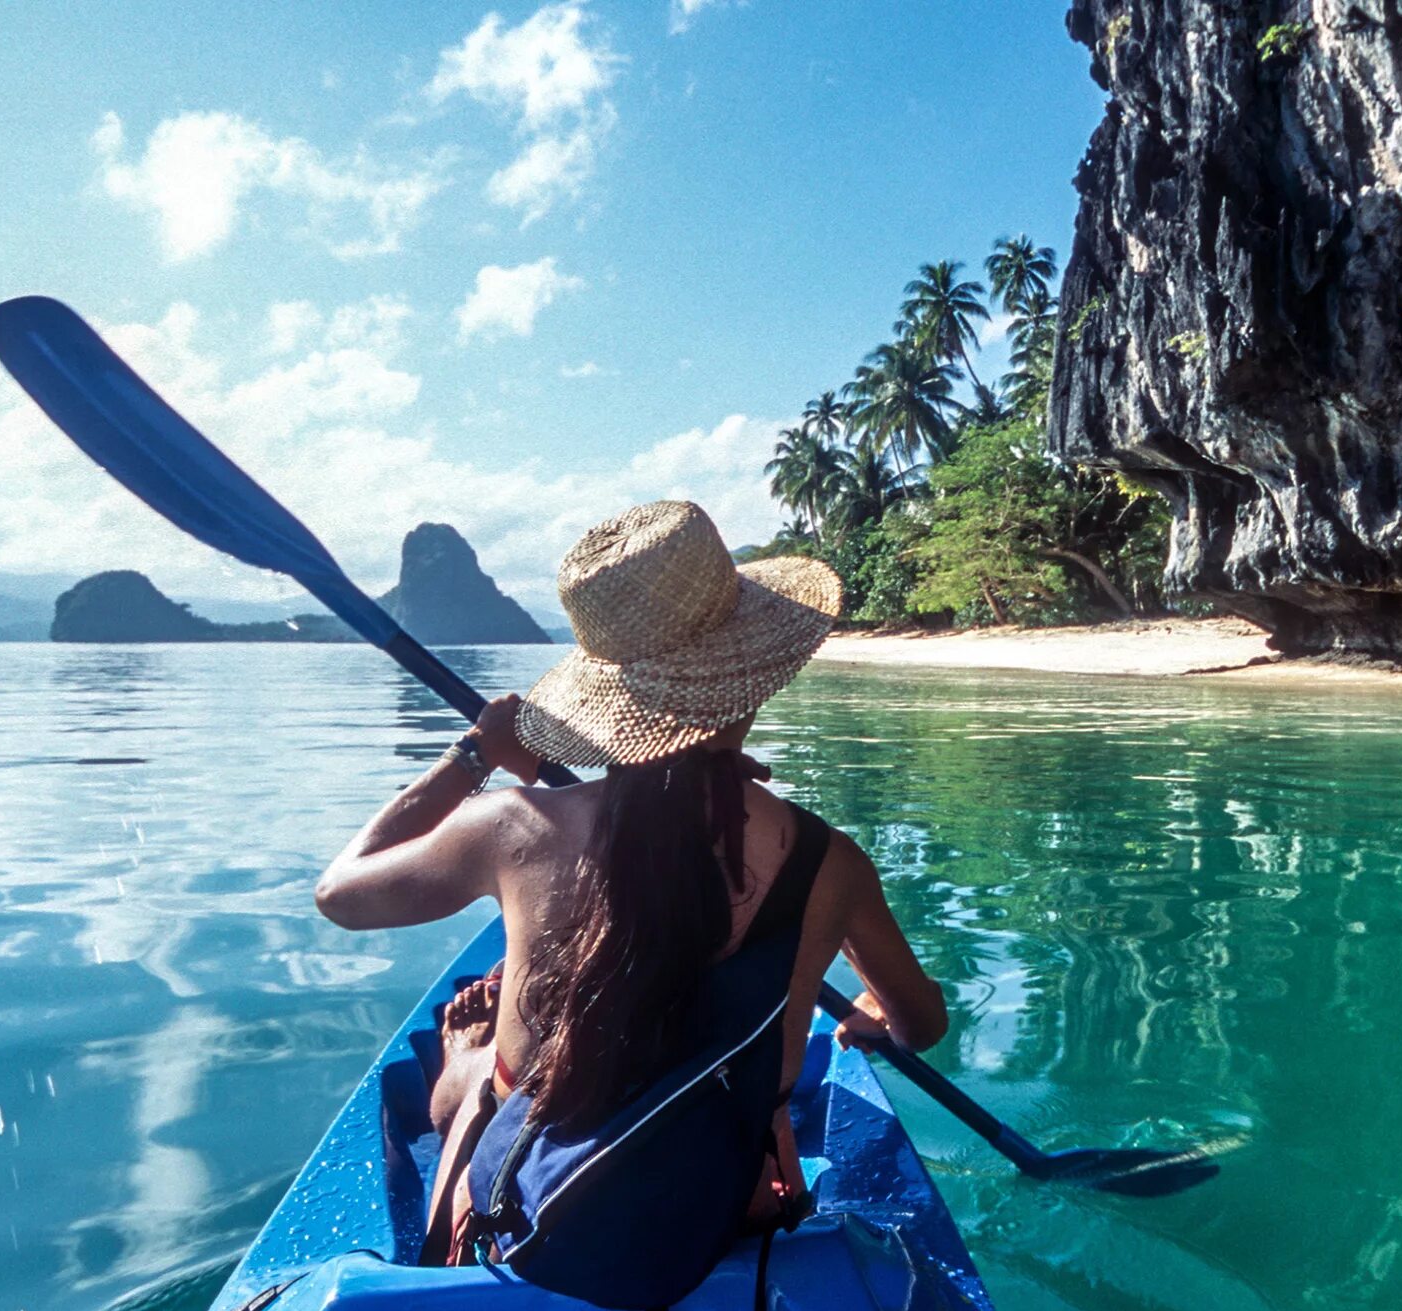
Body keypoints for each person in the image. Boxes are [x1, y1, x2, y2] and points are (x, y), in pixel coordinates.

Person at [310, 499, 948, 1262]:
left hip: (531, 1215)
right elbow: (922, 1027)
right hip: (732, 1216)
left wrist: (473, 758)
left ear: (605, 697)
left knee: (487, 1074)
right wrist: (876, 1014)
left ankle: (473, 1063)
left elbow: (340, 895)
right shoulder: (828, 860)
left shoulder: (514, 827)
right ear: (754, 677)